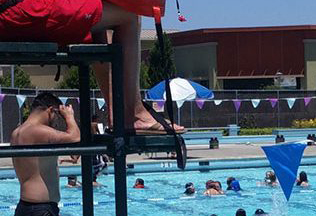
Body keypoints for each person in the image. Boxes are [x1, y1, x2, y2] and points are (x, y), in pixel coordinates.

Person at [0, 0, 185, 134]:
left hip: (11, 12)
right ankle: (135, 116)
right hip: (21, 10)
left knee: (99, 15)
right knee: (130, 16)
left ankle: (118, 114)